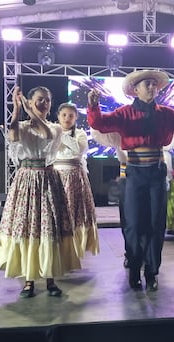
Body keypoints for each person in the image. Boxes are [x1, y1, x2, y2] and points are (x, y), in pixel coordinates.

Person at [87, 69, 174, 291]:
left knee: (155, 224)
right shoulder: (124, 113)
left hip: (156, 173)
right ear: (136, 90)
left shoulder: (166, 114)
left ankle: (152, 272)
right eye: (147, 84)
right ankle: (134, 269)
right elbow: (99, 124)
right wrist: (93, 106)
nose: (152, 88)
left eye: (154, 84)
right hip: (133, 173)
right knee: (133, 225)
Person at [0, 86, 81, 298]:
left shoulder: (55, 128)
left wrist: (30, 111)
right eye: (39, 100)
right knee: (28, 227)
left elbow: (46, 136)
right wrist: (17, 110)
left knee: (48, 227)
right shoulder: (22, 126)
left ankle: (50, 279)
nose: (43, 103)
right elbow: (12, 135)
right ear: (30, 101)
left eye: (47, 100)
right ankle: (28, 280)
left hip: (47, 180)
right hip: (26, 180)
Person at [54, 102, 99, 257]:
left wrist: (58, 134)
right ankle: (58, 247)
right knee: (57, 213)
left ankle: (74, 248)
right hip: (56, 177)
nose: (67, 118)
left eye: (71, 115)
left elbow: (78, 149)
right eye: (64, 115)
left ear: (76, 118)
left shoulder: (80, 134)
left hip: (74, 178)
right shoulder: (51, 132)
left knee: (75, 212)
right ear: (58, 116)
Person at [91, 129, 129, 267]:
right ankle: (130, 252)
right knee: (127, 219)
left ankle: (145, 253)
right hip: (127, 175)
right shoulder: (120, 130)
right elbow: (99, 133)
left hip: (148, 173)